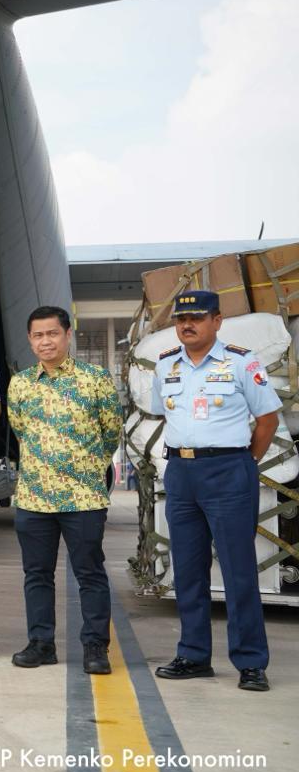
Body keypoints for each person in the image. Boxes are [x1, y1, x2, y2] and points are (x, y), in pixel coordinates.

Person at [149, 290, 279, 692]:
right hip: (181, 473)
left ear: (217, 321)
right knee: (187, 570)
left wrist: (242, 464)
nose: (187, 325)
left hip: (228, 470)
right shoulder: (166, 365)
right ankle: (193, 654)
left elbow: (267, 420)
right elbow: (162, 413)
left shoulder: (242, 362)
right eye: (181, 320)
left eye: (198, 318)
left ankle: (251, 661)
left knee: (239, 571)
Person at [6, 305, 121, 674]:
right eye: (38, 335)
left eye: (52, 333)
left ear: (67, 335)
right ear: (30, 339)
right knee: (36, 574)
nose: (45, 341)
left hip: (83, 497)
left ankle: (94, 647)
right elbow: (20, 430)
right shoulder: (21, 383)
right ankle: (41, 644)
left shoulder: (96, 379)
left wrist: (84, 468)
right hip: (34, 498)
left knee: (89, 572)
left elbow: (110, 432)